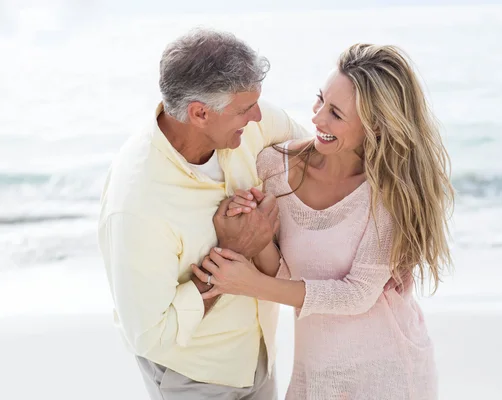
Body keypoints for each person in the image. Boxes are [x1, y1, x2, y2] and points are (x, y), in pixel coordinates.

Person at [192, 43, 454, 400]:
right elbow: (289, 276)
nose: (316, 119)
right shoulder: (274, 167)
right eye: (320, 100)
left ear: (375, 125)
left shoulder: (388, 194)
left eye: (335, 113)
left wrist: (247, 283)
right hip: (314, 375)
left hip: (389, 373)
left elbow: (357, 294)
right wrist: (259, 233)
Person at [98, 28, 307, 400]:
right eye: (245, 109)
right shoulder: (136, 204)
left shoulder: (248, 123)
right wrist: (234, 251)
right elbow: (151, 335)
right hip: (193, 378)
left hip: (259, 356)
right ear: (199, 113)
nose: (259, 115)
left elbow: (312, 159)